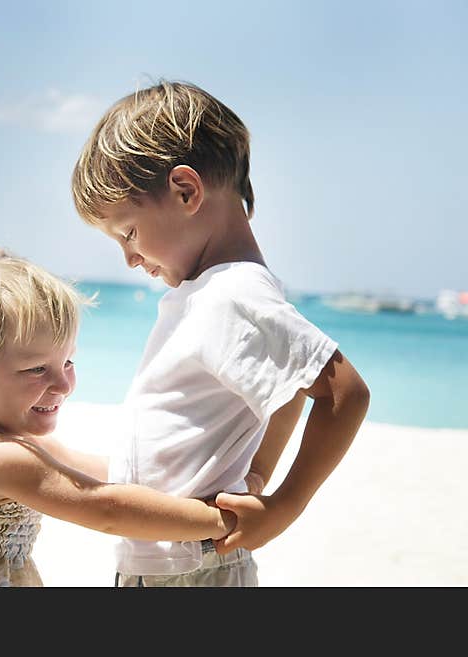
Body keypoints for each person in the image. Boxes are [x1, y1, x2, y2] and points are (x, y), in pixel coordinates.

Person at [70, 79, 370, 587]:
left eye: (129, 233)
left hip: (191, 571)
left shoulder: (230, 295)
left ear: (186, 191)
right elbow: (286, 384)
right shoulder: (212, 292)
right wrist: (256, 474)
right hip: (171, 564)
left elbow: (345, 392)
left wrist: (282, 506)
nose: (129, 258)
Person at [0, 210, 236, 587]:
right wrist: (220, 521)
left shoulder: (8, 440)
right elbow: (106, 508)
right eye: (37, 369)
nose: (64, 384)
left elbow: (116, 474)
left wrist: (201, 481)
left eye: (68, 361)